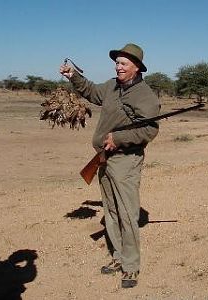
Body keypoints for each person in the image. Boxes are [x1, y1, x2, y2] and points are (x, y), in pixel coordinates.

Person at [60, 43, 160, 288]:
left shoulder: (145, 96)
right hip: (104, 158)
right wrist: (74, 76)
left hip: (126, 160)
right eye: (117, 62)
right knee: (111, 211)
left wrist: (119, 138)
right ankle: (117, 257)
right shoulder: (112, 86)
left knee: (127, 213)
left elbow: (150, 129)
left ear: (137, 68)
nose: (118, 66)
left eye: (124, 63)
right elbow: (93, 92)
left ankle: (131, 267)